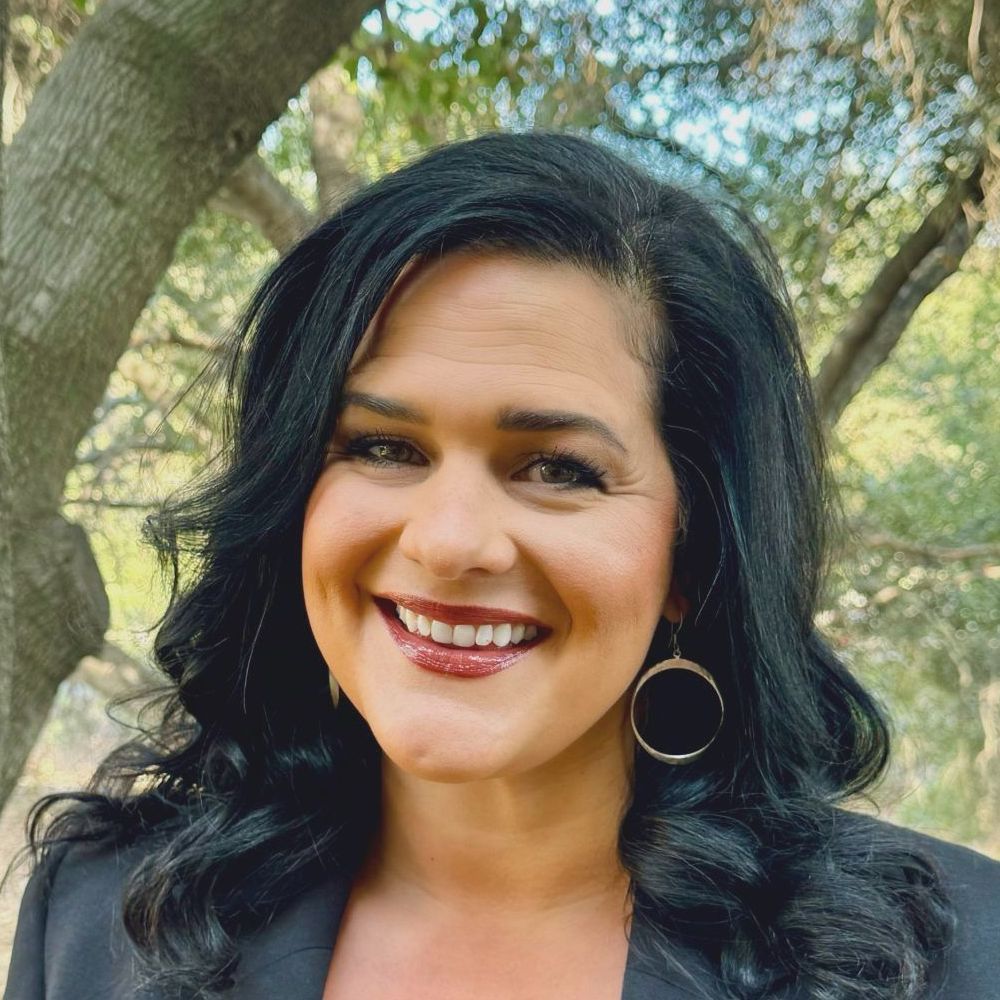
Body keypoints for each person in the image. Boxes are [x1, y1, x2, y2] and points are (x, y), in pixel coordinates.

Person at [3, 130, 998, 1000]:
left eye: (557, 468)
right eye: (382, 447)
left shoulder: (955, 957)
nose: (447, 541)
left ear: (693, 551)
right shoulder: (99, 919)